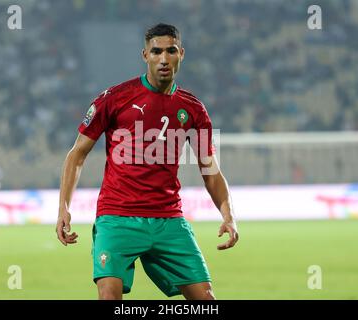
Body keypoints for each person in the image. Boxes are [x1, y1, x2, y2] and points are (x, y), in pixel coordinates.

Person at [55, 23, 239, 300]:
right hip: (117, 217)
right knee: (109, 297)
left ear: (181, 54)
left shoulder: (193, 109)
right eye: (156, 52)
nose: (163, 59)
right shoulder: (114, 99)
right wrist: (64, 208)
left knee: (206, 299)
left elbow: (211, 171)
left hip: (169, 219)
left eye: (170, 51)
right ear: (145, 55)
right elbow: (76, 155)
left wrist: (228, 214)